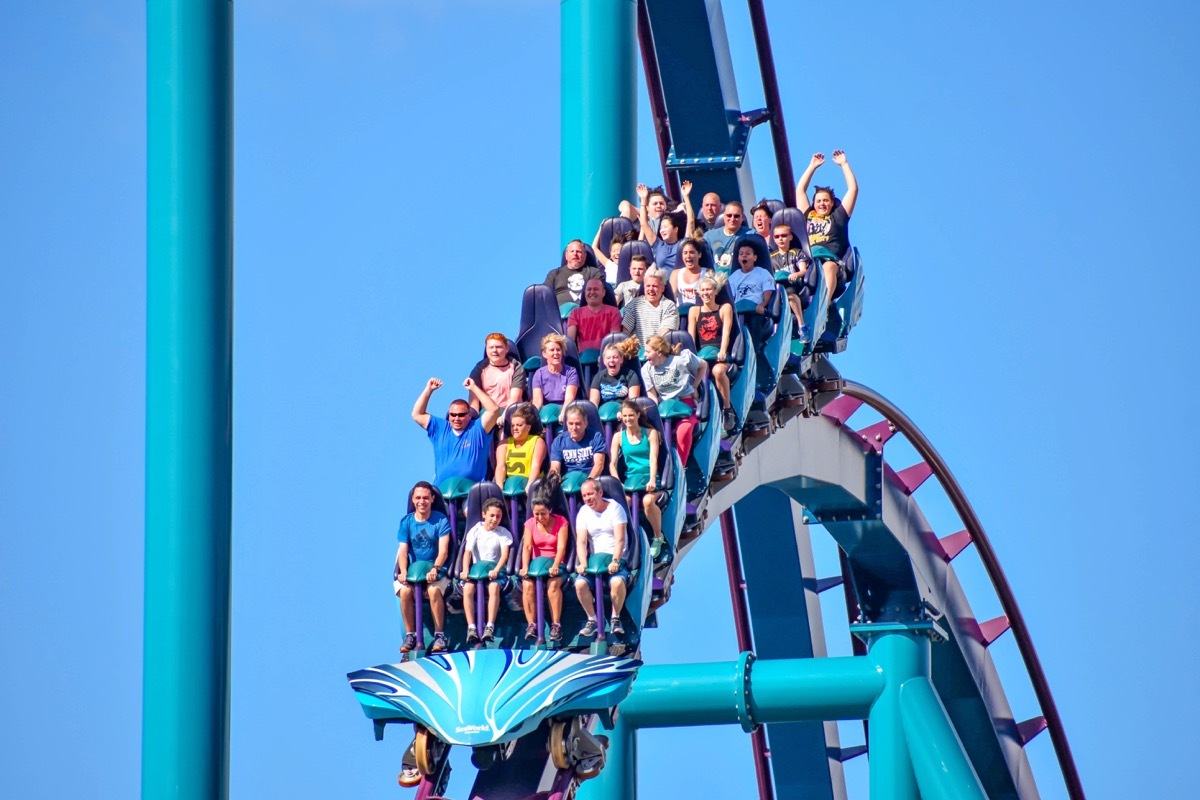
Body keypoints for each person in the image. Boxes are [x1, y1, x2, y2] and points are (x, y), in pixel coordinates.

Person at [795, 150, 858, 309]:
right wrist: (812, 167)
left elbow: (853, 190)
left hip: (831, 261)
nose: (822, 204)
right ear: (814, 204)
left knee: (828, 267)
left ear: (831, 204)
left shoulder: (838, 217)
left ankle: (824, 305)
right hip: (810, 261)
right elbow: (800, 191)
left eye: (825, 201)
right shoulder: (808, 215)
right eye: (818, 201)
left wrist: (844, 164)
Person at [394, 481, 452, 654]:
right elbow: (403, 551)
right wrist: (404, 572)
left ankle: (439, 634)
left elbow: (444, 551)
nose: (422, 501)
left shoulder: (440, 521)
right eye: (418, 498)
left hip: (435, 572)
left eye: (426, 498)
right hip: (414, 573)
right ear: (413, 499)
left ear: (432, 499)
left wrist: (435, 568)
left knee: (434, 591)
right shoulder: (406, 522)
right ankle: (410, 635)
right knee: (404, 592)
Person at [412, 377, 501, 485]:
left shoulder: (477, 429)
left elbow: (494, 410)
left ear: (469, 415)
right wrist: (429, 389)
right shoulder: (441, 428)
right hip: (442, 490)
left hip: (472, 490)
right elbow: (417, 414)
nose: (456, 418)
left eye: (461, 415)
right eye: (453, 415)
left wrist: (473, 388)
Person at [573, 478, 630, 639]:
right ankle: (592, 619)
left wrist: (616, 560)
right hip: (595, 561)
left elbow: (620, 539)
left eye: (590, 494)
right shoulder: (583, 512)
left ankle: (615, 617)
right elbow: (581, 541)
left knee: (616, 582)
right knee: (579, 584)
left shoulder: (615, 508)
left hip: (615, 558)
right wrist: (583, 562)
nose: (587, 498)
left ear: (600, 492)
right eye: (584, 496)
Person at [609, 399, 665, 559]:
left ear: (638, 415)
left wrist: (653, 479)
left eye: (631, 415)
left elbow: (653, 458)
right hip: (630, 481)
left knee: (647, 501)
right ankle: (626, 541)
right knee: (622, 504)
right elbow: (612, 463)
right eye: (625, 416)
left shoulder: (650, 433)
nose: (628, 419)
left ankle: (658, 537)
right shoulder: (618, 437)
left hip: (649, 479)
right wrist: (617, 482)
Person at [640, 334, 707, 464]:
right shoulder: (646, 369)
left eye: (648, 352)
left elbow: (703, 365)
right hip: (665, 407)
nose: (645, 356)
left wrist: (695, 386)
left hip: (685, 404)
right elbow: (652, 396)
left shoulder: (680, 360)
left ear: (658, 352)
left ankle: (681, 465)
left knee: (684, 430)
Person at [518, 479, 570, 641]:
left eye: (543, 514)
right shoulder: (530, 524)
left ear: (550, 510)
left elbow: (561, 547)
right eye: (536, 514)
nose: (540, 517)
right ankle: (531, 624)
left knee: (553, 584)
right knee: (527, 584)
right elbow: (527, 547)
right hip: (536, 566)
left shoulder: (561, 522)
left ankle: (556, 625)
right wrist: (525, 567)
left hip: (556, 565)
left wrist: (555, 565)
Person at [459, 498, 513, 645]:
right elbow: (467, 552)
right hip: (477, 572)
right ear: (484, 514)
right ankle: (471, 627)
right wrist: (465, 570)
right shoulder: (475, 530)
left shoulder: (503, 533)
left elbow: (504, 555)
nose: (495, 519)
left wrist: (496, 569)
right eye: (492, 515)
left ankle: (489, 625)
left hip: (494, 573)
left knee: (494, 587)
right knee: (468, 588)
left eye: (498, 516)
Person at [687, 276, 737, 432]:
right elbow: (691, 336)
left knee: (717, 371)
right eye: (703, 290)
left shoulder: (724, 308)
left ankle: (727, 409)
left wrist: (722, 351)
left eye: (709, 289)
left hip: (719, 354)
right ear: (698, 293)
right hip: (701, 355)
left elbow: (726, 332)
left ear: (715, 291)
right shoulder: (694, 311)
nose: (706, 293)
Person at [638, 180, 696, 275]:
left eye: (665, 227)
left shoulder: (683, 244)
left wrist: (686, 197)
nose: (662, 230)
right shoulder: (658, 245)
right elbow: (644, 223)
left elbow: (691, 221)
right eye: (661, 228)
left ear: (675, 229)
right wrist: (644, 200)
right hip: (662, 284)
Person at [727, 241, 776, 346]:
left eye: (748, 254)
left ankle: (755, 350)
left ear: (754, 258)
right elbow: (731, 297)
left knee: (754, 320)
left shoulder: (763, 273)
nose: (744, 255)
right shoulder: (733, 277)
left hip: (755, 310)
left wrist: (762, 305)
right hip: (738, 310)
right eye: (741, 254)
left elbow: (767, 294)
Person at [769, 224, 813, 341]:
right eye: (777, 236)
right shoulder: (771, 257)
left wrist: (796, 274)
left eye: (784, 236)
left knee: (791, 297)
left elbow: (803, 270)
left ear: (790, 237)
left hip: (792, 285)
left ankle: (801, 325)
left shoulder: (797, 253)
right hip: (776, 287)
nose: (781, 239)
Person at [467, 332, 526, 412]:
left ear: (506, 349)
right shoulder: (479, 369)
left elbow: (515, 398)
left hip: (511, 413)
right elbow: (473, 403)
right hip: (488, 414)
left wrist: (504, 417)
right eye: (491, 347)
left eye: (498, 347)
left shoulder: (516, 367)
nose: (494, 350)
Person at [621, 268, 678, 343]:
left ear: (662, 288)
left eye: (654, 286)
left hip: (660, 350)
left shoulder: (670, 306)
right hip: (636, 351)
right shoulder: (634, 304)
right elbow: (625, 332)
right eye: (648, 286)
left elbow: (665, 334)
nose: (651, 289)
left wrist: (650, 350)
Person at [494, 403, 546, 485]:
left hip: (531, 484)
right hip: (510, 485)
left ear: (528, 427)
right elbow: (500, 467)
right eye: (513, 425)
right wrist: (499, 488)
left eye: (519, 425)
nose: (515, 428)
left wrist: (529, 486)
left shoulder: (537, 441)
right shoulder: (504, 444)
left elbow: (535, 466)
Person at [566, 279, 622, 353]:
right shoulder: (575, 313)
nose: (592, 292)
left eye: (596, 289)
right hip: (583, 360)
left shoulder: (614, 312)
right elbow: (570, 341)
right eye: (589, 289)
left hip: (606, 358)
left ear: (604, 292)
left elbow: (614, 340)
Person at [549, 405, 606, 478]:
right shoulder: (559, 441)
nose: (574, 428)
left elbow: (599, 464)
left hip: (590, 478)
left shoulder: (596, 437)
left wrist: (589, 482)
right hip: (568, 481)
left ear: (585, 423)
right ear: (566, 423)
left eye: (578, 424)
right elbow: (555, 467)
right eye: (571, 424)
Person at [545, 240, 605, 308]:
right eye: (572, 251)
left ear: (585, 256)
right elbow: (544, 297)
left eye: (578, 251)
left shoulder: (594, 273)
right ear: (566, 255)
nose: (575, 254)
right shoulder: (554, 274)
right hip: (559, 316)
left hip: (587, 315)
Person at [530, 332, 580, 414]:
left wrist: (563, 413)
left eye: (558, 350)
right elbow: (537, 401)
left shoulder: (571, 372)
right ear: (544, 354)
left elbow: (569, 398)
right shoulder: (539, 374)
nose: (556, 353)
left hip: (566, 410)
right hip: (546, 412)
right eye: (552, 350)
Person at [589, 338, 643, 406]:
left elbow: (633, 401)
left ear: (621, 359)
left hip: (624, 412)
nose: (611, 360)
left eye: (615, 357)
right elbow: (594, 403)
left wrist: (622, 411)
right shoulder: (598, 377)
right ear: (604, 361)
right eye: (608, 358)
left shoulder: (630, 375)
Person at [703, 200, 747, 270]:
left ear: (742, 218)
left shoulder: (751, 235)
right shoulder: (709, 236)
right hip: (716, 278)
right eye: (729, 215)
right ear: (724, 216)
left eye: (736, 216)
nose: (732, 219)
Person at [669, 238, 712, 307]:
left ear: (699, 254)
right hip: (681, 313)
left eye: (692, 252)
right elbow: (671, 297)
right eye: (685, 253)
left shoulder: (708, 273)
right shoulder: (676, 273)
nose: (688, 256)